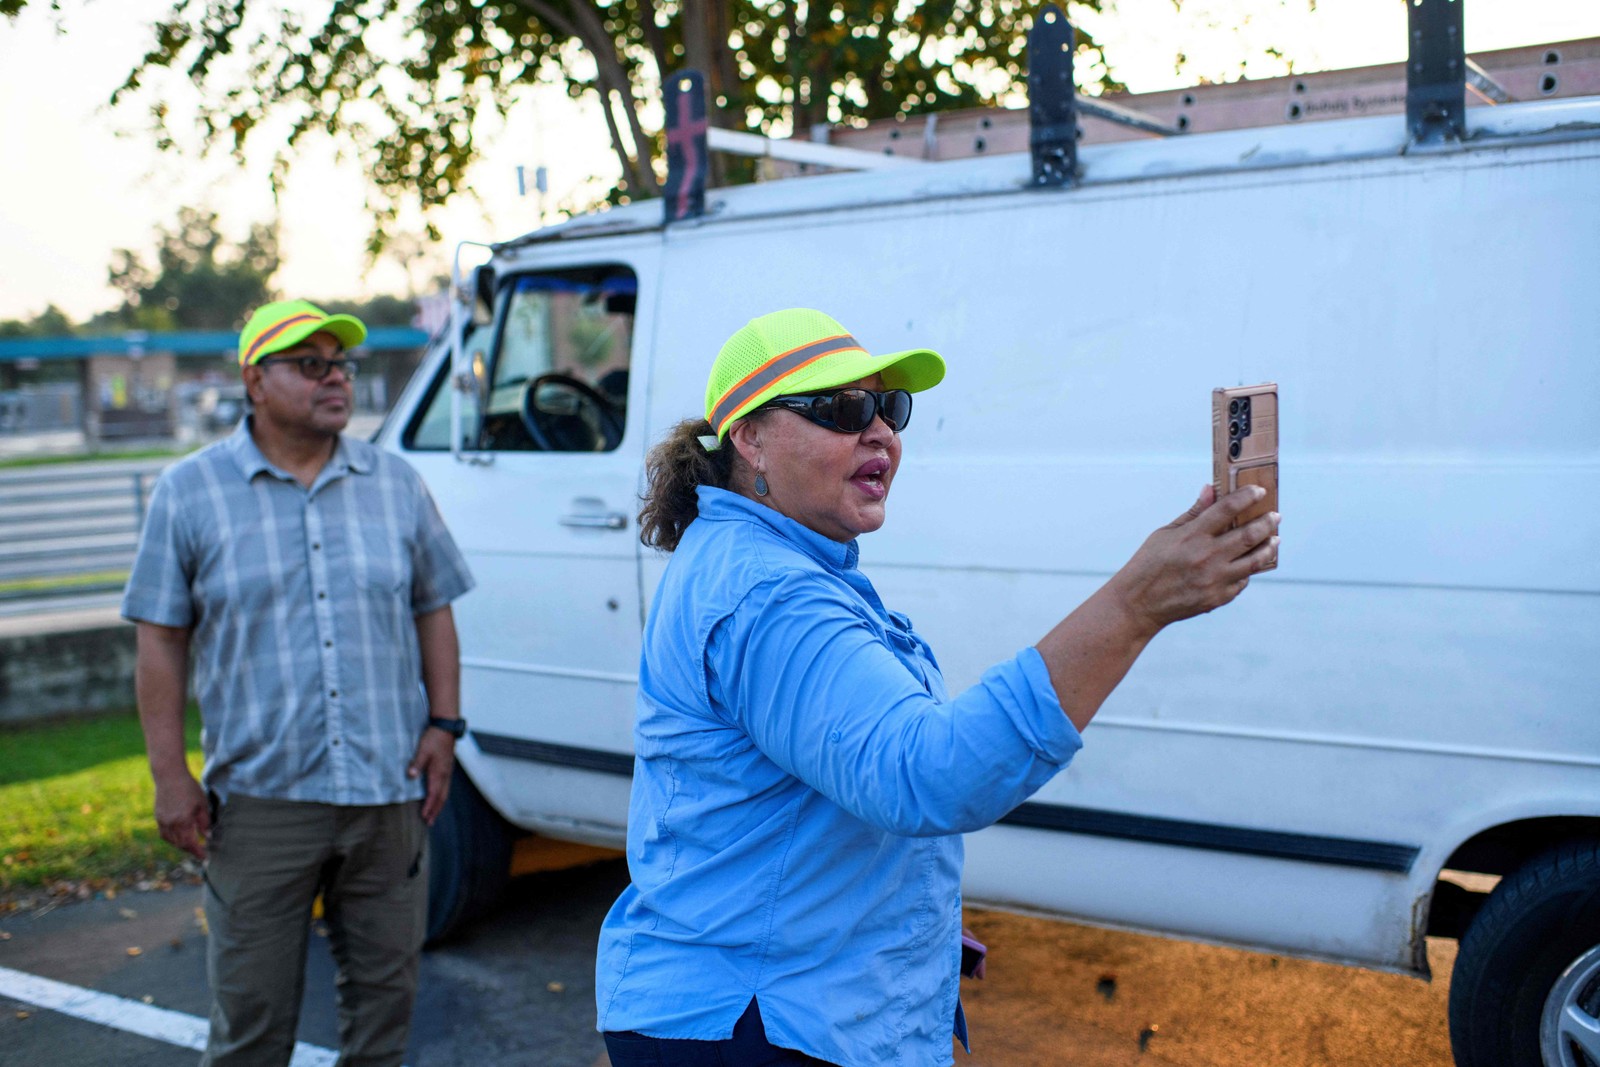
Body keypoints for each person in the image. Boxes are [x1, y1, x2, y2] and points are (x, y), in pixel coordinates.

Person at [595, 308, 1280, 1067]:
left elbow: (818, 792)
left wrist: (904, 910)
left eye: (891, 408)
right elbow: (929, 772)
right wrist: (1134, 605)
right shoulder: (768, 594)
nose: (881, 432)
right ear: (749, 438)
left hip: (786, 1004)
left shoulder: (778, 562)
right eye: (844, 409)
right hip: (756, 1024)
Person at [122, 299, 475, 1067]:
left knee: (386, 1007)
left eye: (341, 364)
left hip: (389, 791)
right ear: (255, 379)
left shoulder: (395, 484)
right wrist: (168, 775)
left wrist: (444, 726)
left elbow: (434, 608)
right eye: (310, 365)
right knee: (252, 1020)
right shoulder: (190, 492)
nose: (334, 380)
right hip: (261, 802)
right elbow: (159, 639)